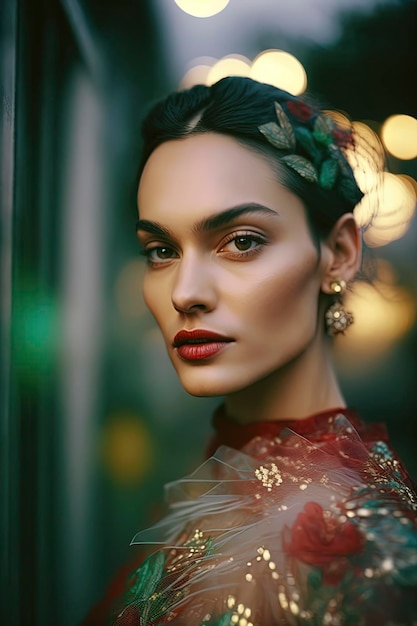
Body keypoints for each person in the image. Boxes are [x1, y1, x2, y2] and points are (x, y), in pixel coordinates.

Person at [81, 77, 417, 625]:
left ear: (337, 253)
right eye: (161, 250)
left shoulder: (334, 542)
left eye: (241, 241)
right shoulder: (229, 476)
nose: (185, 292)